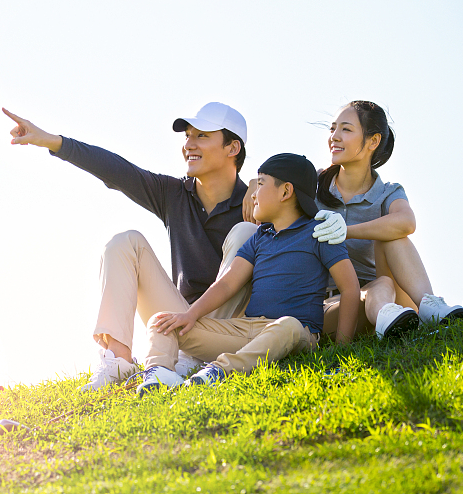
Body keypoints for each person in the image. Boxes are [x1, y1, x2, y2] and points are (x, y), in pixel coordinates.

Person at [3, 103, 348, 389]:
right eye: (188, 137)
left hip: (241, 324)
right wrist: (51, 141)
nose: (189, 144)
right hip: (188, 315)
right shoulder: (172, 195)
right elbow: (117, 170)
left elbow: (299, 215)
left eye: (202, 136)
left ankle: (189, 361)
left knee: (244, 232)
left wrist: (330, 218)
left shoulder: (259, 203)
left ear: (233, 148)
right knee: (125, 243)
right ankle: (120, 362)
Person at [137, 153, 360, 394]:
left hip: (295, 334)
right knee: (161, 321)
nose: (253, 194)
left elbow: (350, 288)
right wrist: (190, 315)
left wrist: (341, 350)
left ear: (286, 192)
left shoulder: (318, 233)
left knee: (288, 325)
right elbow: (226, 285)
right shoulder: (258, 238)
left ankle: (218, 372)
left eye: (261, 183)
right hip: (246, 330)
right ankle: (158, 374)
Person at [314, 100, 463, 339]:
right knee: (381, 284)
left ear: (373, 141)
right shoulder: (313, 183)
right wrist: (252, 186)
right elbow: (274, 188)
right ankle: (390, 321)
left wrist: (346, 231)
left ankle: (430, 308)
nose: (334, 136)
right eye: (332, 128)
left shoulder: (387, 192)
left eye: (345, 129)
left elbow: (407, 222)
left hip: (387, 298)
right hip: (328, 303)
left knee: (391, 242)